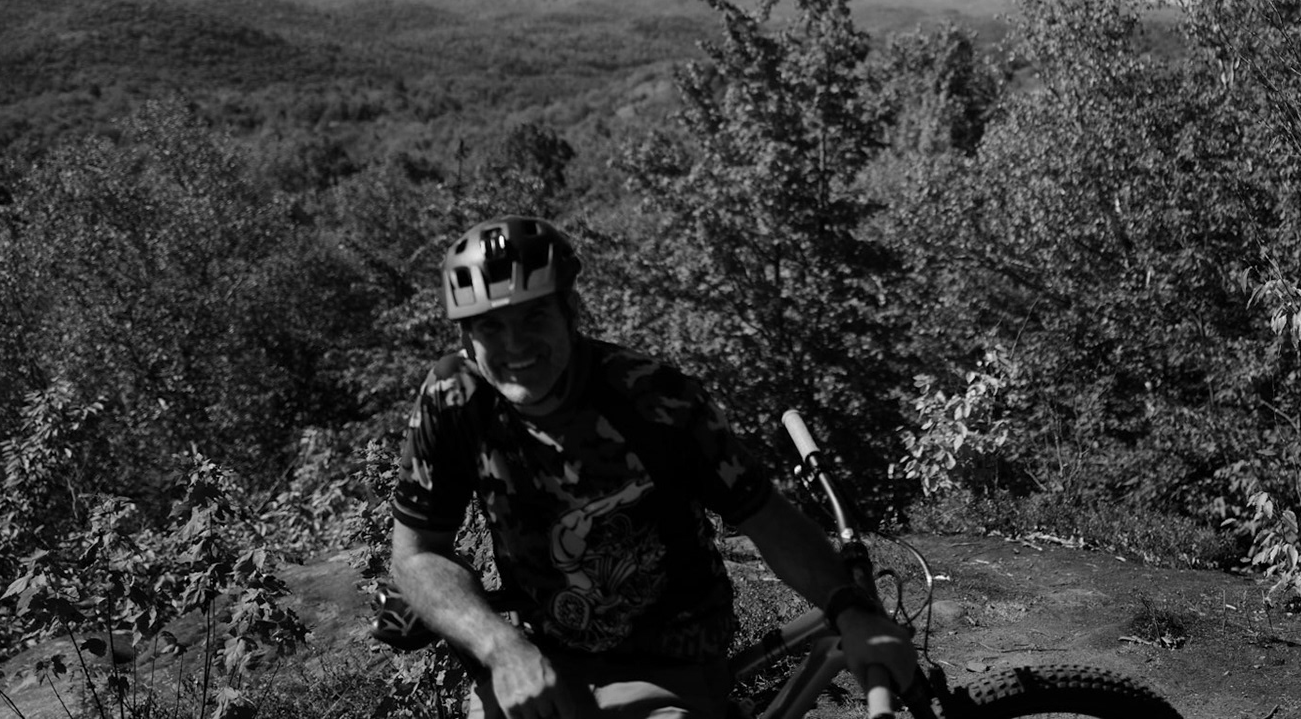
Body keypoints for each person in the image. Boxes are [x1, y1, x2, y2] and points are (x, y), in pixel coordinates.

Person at [391, 215, 918, 719]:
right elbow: (417, 555)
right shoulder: (456, 400)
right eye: (490, 327)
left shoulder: (656, 399)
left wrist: (851, 610)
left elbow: (766, 517)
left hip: (667, 664)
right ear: (467, 338)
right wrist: (499, 646)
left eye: (535, 317)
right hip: (533, 659)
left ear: (570, 311)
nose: (515, 346)